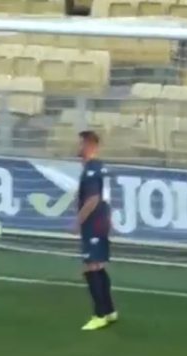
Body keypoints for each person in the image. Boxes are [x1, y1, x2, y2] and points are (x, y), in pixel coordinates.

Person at [75, 130, 118, 331]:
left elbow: (93, 199)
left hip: (94, 222)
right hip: (101, 221)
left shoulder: (92, 170)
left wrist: (78, 221)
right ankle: (109, 311)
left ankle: (99, 315)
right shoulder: (99, 167)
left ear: (90, 146)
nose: (78, 147)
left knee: (91, 266)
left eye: (82, 143)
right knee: (98, 265)